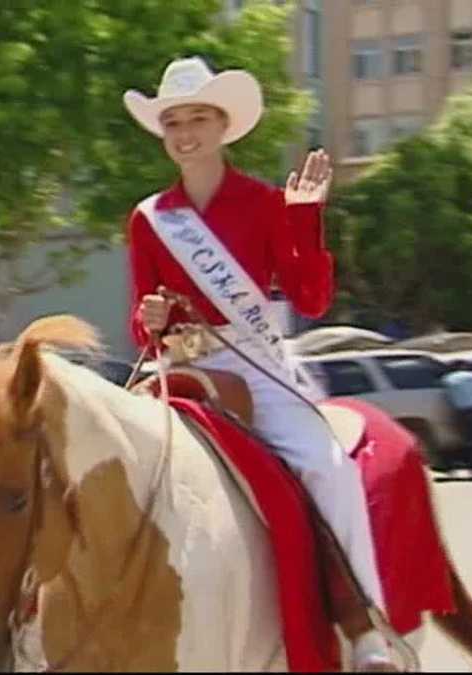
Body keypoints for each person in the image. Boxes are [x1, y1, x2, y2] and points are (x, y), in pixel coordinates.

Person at [123, 57, 396, 670]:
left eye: (197, 118)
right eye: (173, 122)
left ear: (223, 126)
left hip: (255, 365)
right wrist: (153, 319)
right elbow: (140, 323)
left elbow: (311, 300)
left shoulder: (266, 203)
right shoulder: (149, 219)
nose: (185, 132)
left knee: (329, 470)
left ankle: (363, 625)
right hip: (178, 367)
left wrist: (305, 218)